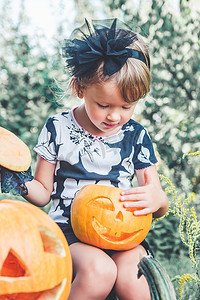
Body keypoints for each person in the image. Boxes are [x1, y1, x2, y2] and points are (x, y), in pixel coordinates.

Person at [4, 19, 169, 300]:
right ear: (80, 88)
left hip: (121, 232)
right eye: (103, 105)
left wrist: (157, 200)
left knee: (133, 277)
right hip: (69, 232)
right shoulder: (57, 128)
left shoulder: (135, 135)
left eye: (126, 107)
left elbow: (156, 197)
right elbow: (44, 193)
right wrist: (15, 179)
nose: (114, 116)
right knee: (98, 271)